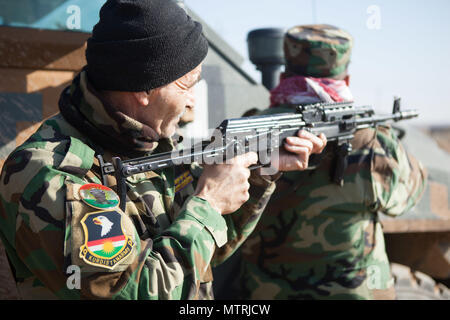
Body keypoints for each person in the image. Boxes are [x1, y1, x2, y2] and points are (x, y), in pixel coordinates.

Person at [0, 1, 326, 300]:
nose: (192, 102)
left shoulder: (148, 143)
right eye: (186, 84)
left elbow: (200, 253)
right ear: (144, 89)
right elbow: (136, 292)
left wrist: (259, 172)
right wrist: (209, 203)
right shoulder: (53, 175)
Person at [239, 24, 427, 300]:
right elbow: (409, 195)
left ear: (283, 75)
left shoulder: (248, 130)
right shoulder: (371, 142)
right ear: (346, 82)